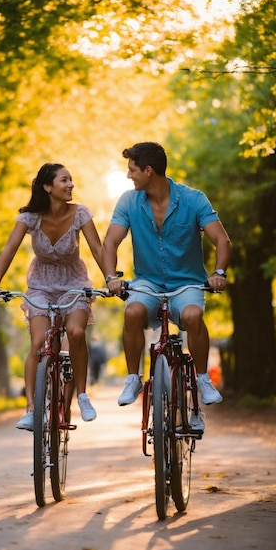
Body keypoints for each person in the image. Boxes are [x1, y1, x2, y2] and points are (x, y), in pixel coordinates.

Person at [103, 142, 232, 432]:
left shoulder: (193, 199)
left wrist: (218, 273)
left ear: (149, 171)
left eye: (132, 170)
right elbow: (110, 242)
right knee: (133, 312)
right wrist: (111, 277)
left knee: (192, 316)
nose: (128, 176)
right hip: (147, 282)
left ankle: (201, 379)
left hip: (187, 281)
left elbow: (222, 240)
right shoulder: (128, 202)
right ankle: (133, 378)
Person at [0, 163, 105, 431]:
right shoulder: (29, 218)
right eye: (64, 180)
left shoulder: (81, 213)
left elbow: (97, 249)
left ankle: (82, 396)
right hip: (41, 284)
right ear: (48, 187)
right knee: (39, 343)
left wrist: (111, 278)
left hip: (74, 283)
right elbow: (9, 250)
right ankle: (30, 409)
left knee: (75, 333)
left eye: (71, 180)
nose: (71, 185)